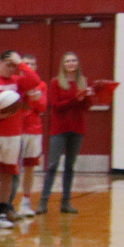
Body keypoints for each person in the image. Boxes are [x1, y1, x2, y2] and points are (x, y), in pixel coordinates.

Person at [0, 50, 38, 227]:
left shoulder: (18, 82)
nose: (11, 68)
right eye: (8, 63)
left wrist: (20, 63)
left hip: (13, 134)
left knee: (7, 172)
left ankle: (1, 211)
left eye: (14, 65)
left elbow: (35, 80)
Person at [42, 52, 90, 214]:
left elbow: (86, 107)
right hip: (59, 128)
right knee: (53, 164)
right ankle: (43, 201)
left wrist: (88, 97)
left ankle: (66, 202)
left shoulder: (82, 82)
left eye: (73, 60)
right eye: (68, 61)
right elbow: (56, 105)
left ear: (77, 64)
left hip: (77, 128)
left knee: (70, 165)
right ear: (63, 64)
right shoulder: (56, 82)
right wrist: (75, 99)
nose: (71, 63)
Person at [17, 54, 47, 218]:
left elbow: (42, 107)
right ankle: (7, 203)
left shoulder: (41, 85)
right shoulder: (15, 84)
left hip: (33, 130)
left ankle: (26, 201)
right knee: (12, 167)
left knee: (29, 167)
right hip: (16, 129)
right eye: (26, 64)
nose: (29, 66)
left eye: (32, 64)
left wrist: (34, 99)